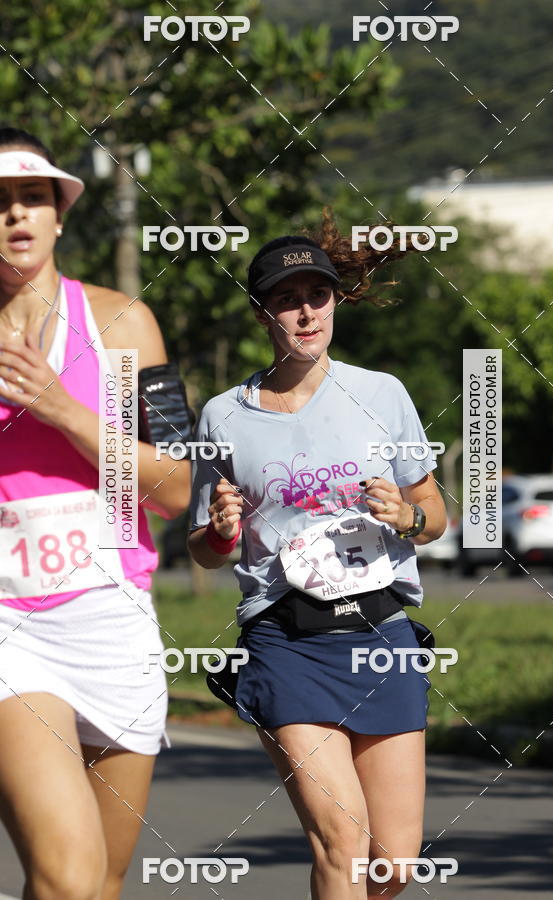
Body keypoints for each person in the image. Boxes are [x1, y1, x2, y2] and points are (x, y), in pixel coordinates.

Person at [188, 212, 447, 899]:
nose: (305, 312)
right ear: (261, 312)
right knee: (343, 841)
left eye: (317, 295)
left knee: (393, 865)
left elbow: (437, 515)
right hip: (285, 638)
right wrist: (218, 531)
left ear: (334, 301)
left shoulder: (382, 394)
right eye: (285, 298)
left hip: (381, 633)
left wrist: (409, 516)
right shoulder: (223, 416)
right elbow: (206, 550)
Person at [0, 127, 190, 900]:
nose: (16, 215)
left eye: (32, 197)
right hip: (10, 625)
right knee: (70, 877)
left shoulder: (119, 328)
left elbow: (174, 489)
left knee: (102, 883)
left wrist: (64, 411)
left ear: (60, 213)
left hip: (112, 616)